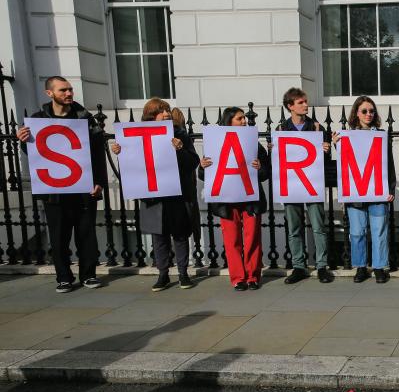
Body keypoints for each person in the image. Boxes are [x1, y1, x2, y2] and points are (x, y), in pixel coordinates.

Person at [16, 76, 107, 293]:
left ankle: (89, 275)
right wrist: (23, 142)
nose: (68, 93)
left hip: (84, 187)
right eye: (63, 90)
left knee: (86, 234)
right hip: (54, 190)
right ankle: (64, 278)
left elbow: (97, 153)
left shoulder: (85, 118)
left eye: (70, 90)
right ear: (50, 93)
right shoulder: (38, 120)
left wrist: (100, 183)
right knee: (59, 236)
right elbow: (37, 155)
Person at [110, 98, 200, 291]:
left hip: (176, 194)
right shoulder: (136, 136)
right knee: (159, 237)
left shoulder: (180, 134)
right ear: (151, 116)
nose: (167, 114)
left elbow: (193, 162)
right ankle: (163, 275)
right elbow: (131, 167)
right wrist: (120, 152)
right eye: (161, 111)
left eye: (167, 110)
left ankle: (183, 274)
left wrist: (180, 149)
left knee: (180, 235)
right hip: (152, 195)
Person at [199, 107, 271, 291]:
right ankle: (238, 278)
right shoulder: (215, 142)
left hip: (250, 201)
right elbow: (206, 175)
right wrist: (202, 166)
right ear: (229, 121)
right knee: (232, 242)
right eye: (240, 119)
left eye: (244, 118)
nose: (244, 121)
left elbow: (265, 173)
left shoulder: (253, 143)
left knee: (253, 238)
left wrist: (259, 167)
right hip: (226, 202)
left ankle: (253, 276)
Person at [332, 96, 396, 284]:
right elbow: (346, 165)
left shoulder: (381, 134)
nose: (369, 114)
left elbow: (389, 163)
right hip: (356, 193)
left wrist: (391, 187)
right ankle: (360, 267)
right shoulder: (347, 136)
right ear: (356, 113)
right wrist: (337, 145)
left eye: (371, 111)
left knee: (379, 231)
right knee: (358, 232)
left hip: (377, 191)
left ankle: (379, 267)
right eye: (364, 111)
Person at [277, 87, 335, 285]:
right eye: (300, 102)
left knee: (318, 227)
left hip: (312, 183)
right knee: (294, 228)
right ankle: (299, 266)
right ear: (290, 106)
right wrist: (273, 151)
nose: (305, 105)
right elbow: (278, 161)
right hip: (292, 184)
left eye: (305, 101)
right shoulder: (281, 130)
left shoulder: (317, 128)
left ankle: (321, 266)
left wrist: (325, 149)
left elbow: (327, 160)